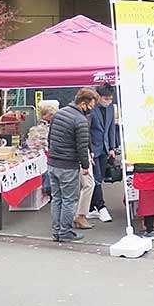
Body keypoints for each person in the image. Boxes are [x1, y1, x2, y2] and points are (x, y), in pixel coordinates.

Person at [47, 88, 98, 242]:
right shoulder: (80, 120)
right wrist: (85, 167)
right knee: (69, 200)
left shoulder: (59, 113)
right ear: (83, 103)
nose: (91, 109)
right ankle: (65, 232)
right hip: (68, 165)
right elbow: (82, 147)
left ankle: (57, 231)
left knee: (57, 199)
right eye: (91, 106)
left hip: (53, 163)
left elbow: (50, 138)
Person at [86, 84, 117, 222]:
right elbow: (86, 130)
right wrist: (89, 149)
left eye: (110, 98)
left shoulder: (111, 107)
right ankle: (101, 207)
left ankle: (91, 208)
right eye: (105, 98)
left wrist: (112, 147)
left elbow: (111, 128)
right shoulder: (91, 108)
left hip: (105, 148)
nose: (108, 101)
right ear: (98, 97)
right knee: (96, 177)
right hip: (93, 148)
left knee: (99, 178)